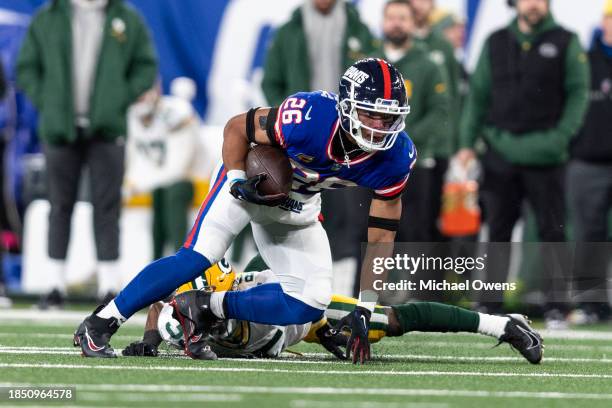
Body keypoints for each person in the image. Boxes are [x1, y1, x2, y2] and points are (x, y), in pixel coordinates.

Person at [74, 58, 414, 364]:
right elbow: (236, 127)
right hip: (250, 183)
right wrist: (237, 178)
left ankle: (205, 307)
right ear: (346, 106)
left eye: (390, 116)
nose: (380, 126)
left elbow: (382, 235)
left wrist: (366, 307)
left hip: (299, 208)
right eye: (371, 113)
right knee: (198, 255)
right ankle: (102, 321)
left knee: (310, 302)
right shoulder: (308, 117)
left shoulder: (396, 157)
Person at [120, 256, 543, 365]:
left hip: (303, 315)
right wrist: (150, 340)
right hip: (274, 322)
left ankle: (499, 324)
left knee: (392, 320)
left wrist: (319, 327)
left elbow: (300, 306)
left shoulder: (247, 293)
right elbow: (158, 304)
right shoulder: (179, 305)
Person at [16, 0, 157, 306]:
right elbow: (27, 66)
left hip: (106, 128)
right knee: (59, 203)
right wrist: (48, 100)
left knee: (107, 205)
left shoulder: (125, 18)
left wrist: (118, 96)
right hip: (59, 126)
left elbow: (146, 66)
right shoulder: (49, 17)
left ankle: (108, 285)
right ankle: (54, 285)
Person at [456, 0, 589, 319]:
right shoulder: (496, 40)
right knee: (498, 229)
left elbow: (578, 95)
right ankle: (490, 302)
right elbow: (478, 96)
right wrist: (467, 142)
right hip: (500, 151)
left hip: (547, 155)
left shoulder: (566, 41)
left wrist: (560, 138)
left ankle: (557, 304)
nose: (533, 4)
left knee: (553, 230)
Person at [262, 0, 380, 295]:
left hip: (349, 139)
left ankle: (342, 285)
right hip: (305, 138)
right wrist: (289, 122)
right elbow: (271, 81)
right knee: (289, 210)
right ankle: (286, 281)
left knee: (351, 217)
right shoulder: (289, 30)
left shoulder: (358, 28)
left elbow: (376, 82)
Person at [376, 0, 450, 244]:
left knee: (415, 234)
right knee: (372, 233)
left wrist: (401, 139)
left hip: (415, 163)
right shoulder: (370, 64)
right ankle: (369, 283)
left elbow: (440, 111)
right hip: (371, 163)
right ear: (383, 22)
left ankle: (415, 284)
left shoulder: (429, 64)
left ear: (413, 23)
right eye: (391, 18)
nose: (396, 24)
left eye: (402, 18)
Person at [566, 0, 612, 324]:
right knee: (588, 233)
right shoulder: (584, 61)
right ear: (604, 22)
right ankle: (589, 303)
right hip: (588, 160)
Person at [125, 81, 198, 260]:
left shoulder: (176, 112)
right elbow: (135, 159)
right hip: (161, 182)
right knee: (159, 195)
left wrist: (136, 186)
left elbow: (178, 168)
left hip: (191, 177)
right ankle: (156, 264)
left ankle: (182, 261)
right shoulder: (132, 117)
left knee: (173, 193)